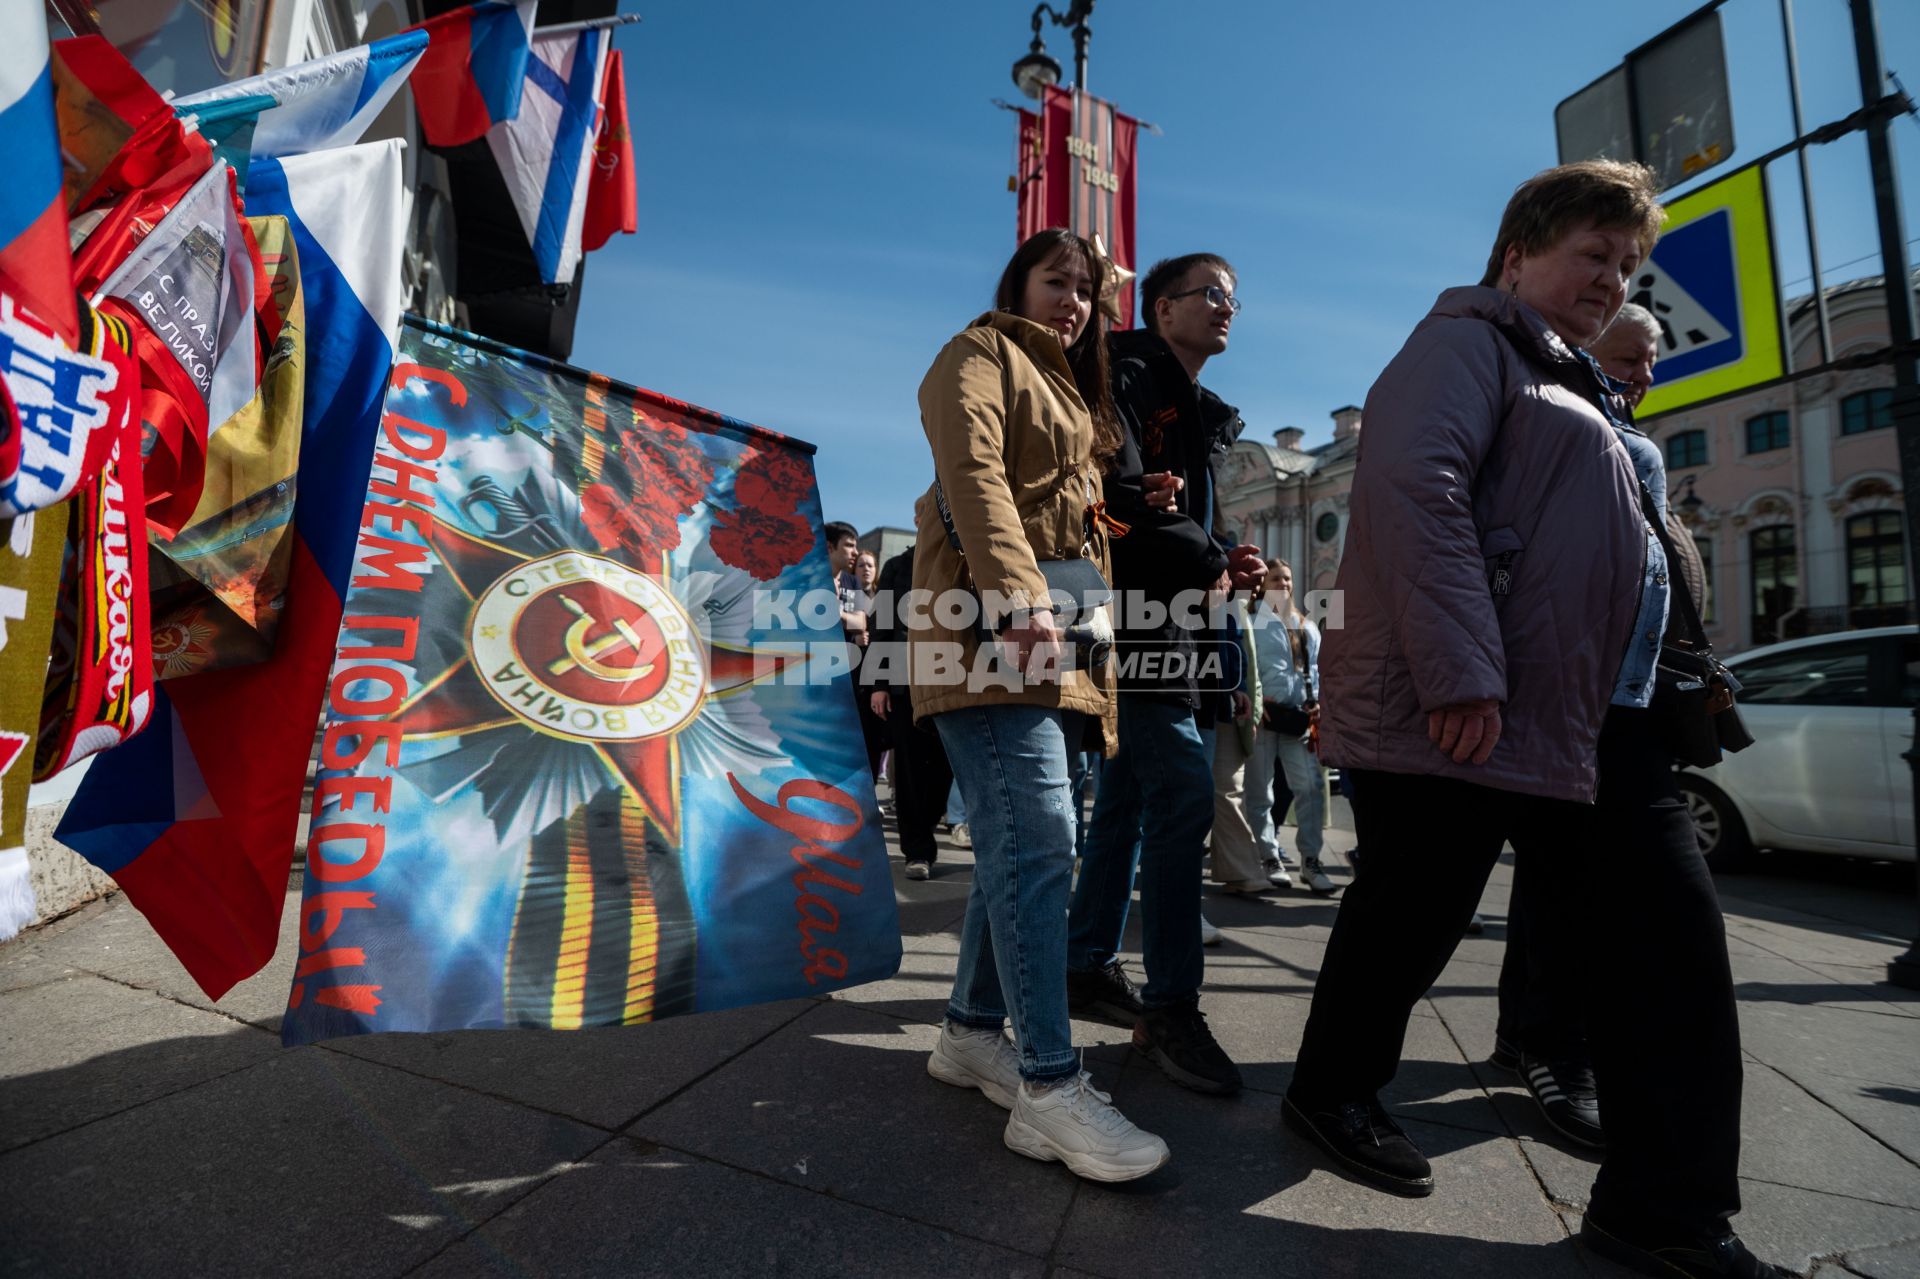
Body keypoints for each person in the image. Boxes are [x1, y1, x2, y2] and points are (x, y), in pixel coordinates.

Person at [1284, 161, 1787, 1279]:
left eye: (1627, 264)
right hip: (1474, 707)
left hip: (1600, 714)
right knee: (1413, 914)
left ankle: (1661, 1206)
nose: (1612, 282)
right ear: (1518, 252)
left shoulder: (1579, 382)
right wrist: (1465, 671)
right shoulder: (1463, 344)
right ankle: (1330, 1089)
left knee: (1669, 950)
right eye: (1592, 256)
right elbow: (1419, 495)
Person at [910, 227, 1167, 1182]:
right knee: (1039, 838)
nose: (1075, 300)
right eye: (1058, 280)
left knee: (1020, 845)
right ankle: (1050, 1088)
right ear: (1015, 281)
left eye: (1088, 290)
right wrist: (1018, 598)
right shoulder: (976, 353)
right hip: (988, 631)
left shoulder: (1074, 398)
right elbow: (974, 475)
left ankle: (972, 1031)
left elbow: (1066, 522)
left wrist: (1124, 506)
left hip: (1055, 644)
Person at [1064, 252, 1265, 1096]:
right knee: (1182, 792)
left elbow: (1172, 512)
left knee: (1127, 800)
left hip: (1172, 626)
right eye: (1210, 294)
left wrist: (1224, 559)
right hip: (1130, 617)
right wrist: (1212, 552)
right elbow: (1117, 493)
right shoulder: (1128, 371)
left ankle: (1083, 963)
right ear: (1162, 305)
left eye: (1234, 298)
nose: (1226, 308)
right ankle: (1171, 1006)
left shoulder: (1196, 407)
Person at [867, 546, 953, 880]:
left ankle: (928, 827)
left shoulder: (963, 555)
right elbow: (882, 623)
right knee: (910, 770)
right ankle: (917, 851)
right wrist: (878, 683)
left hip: (955, 679)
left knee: (945, 768)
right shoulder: (899, 566)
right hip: (904, 683)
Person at [1246, 559, 1332, 894]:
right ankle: (1269, 856)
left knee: (1310, 789)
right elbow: (1245, 667)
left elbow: (1316, 670)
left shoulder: (1305, 625)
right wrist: (1254, 702)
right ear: (1263, 585)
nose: (1283, 584)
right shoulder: (1251, 622)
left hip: (1299, 718)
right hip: (1265, 719)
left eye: (1287, 578)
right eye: (1275, 579)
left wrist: (1319, 702)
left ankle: (1311, 861)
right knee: (1261, 792)